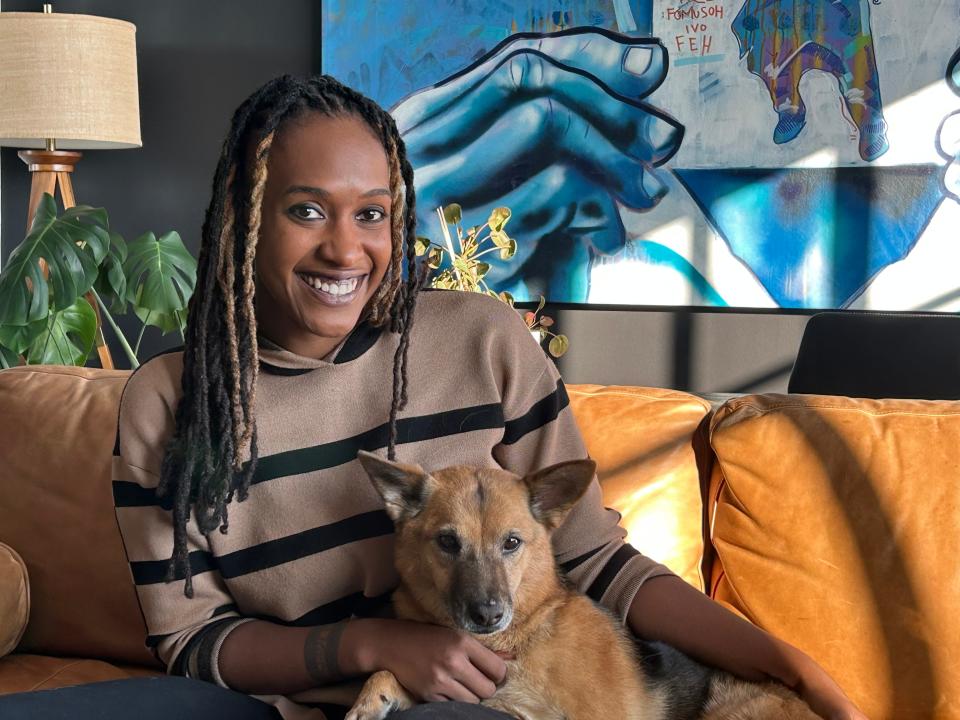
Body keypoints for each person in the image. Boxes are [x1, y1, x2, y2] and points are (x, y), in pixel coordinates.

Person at [0, 74, 865, 720]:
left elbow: (599, 563)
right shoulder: (172, 401)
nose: (347, 250)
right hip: (284, 700)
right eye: (307, 211)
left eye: (372, 214)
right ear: (246, 213)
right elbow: (190, 640)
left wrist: (787, 665)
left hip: (463, 702)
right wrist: (374, 643)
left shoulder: (485, 342)